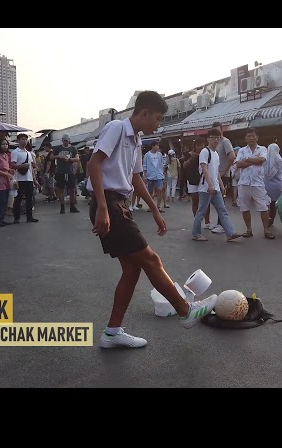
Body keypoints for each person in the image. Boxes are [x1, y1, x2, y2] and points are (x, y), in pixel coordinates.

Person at [87, 91, 217, 348]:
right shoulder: (116, 128)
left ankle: (112, 333)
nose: (158, 124)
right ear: (144, 113)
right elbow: (94, 164)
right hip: (109, 203)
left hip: (118, 203)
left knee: (132, 269)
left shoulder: (135, 140)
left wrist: (155, 210)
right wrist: (102, 207)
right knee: (150, 259)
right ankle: (185, 310)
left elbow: (136, 178)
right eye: (157, 118)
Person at [191, 127, 242, 242]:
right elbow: (204, 169)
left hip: (216, 188)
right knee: (201, 211)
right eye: (213, 138)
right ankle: (196, 233)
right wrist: (210, 185)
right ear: (208, 139)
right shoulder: (205, 152)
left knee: (222, 210)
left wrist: (221, 185)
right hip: (206, 188)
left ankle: (230, 233)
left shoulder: (216, 154)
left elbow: (216, 171)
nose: (215, 140)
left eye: (218, 138)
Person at [235, 128, 273, 239]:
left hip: (258, 183)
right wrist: (253, 160)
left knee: (263, 207)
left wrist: (247, 159)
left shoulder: (262, 149)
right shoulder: (242, 150)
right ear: (245, 138)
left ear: (257, 137)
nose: (251, 138)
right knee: (244, 207)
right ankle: (248, 229)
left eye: (253, 136)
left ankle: (266, 230)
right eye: (248, 136)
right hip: (244, 183)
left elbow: (262, 160)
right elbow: (238, 164)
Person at [10, 133, 39, 223]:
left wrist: (34, 180)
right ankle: (16, 217)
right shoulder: (15, 152)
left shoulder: (28, 153)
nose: (24, 141)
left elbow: (30, 168)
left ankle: (29, 217)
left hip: (29, 179)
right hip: (19, 179)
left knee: (29, 199)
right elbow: (12, 165)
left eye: (26, 139)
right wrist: (22, 166)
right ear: (18, 141)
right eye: (22, 139)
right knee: (18, 199)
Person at [52, 133, 80, 214]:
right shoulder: (58, 148)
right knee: (61, 189)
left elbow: (77, 158)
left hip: (70, 171)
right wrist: (59, 157)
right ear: (62, 140)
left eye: (67, 140)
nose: (66, 142)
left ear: (69, 140)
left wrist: (70, 159)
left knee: (72, 189)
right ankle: (62, 207)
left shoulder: (73, 149)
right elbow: (51, 157)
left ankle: (72, 206)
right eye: (64, 140)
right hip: (60, 171)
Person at [263, 143, 282, 230]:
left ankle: (267, 220)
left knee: (267, 203)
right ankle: (271, 221)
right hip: (278, 184)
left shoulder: (265, 160)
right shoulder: (280, 160)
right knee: (273, 204)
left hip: (267, 184)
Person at [143, 141, 165, 213]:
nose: (158, 147)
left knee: (160, 189)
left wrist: (162, 172)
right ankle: (151, 206)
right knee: (150, 192)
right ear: (153, 146)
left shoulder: (159, 155)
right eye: (156, 146)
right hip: (150, 175)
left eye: (158, 146)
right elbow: (145, 166)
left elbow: (161, 164)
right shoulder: (147, 155)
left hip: (158, 175)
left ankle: (158, 206)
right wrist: (145, 176)